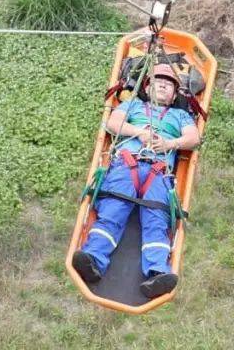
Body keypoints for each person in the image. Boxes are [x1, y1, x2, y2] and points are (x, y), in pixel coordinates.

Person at [72, 63, 200, 298]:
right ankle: (93, 259)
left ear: (174, 95)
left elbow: (193, 138)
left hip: (159, 171)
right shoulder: (133, 105)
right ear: (147, 87)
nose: (163, 85)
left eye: (168, 84)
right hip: (126, 163)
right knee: (113, 210)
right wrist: (139, 133)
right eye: (158, 81)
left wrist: (170, 144)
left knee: (156, 218)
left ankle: (157, 273)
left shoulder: (180, 115)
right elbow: (113, 123)